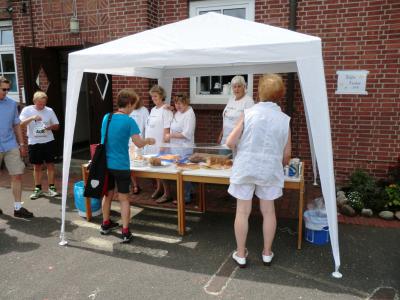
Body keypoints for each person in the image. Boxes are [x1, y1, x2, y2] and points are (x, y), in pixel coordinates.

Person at [226, 74, 291, 268]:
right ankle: (267, 252)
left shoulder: (248, 113)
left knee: (242, 211)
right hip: (270, 169)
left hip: (246, 166)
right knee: (268, 211)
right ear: (280, 95)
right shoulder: (284, 119)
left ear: (260, 92)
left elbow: (230, 142)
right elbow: (287, 154)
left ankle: (240, 254)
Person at [100, 88, 155, 243]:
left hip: (106, 164)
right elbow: (138, 143)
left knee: (108, 195)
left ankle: (105, 224)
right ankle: (125, 231)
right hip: (122, 165)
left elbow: (104, 139)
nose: (133, 109)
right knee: (124, 198)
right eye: (133, 106)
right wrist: (148, 141)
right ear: (129, 104)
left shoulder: (107, 117)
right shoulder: (129, 121)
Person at [0, 76, 33, 218]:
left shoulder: (12, 104)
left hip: (10, 144)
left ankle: (18, 208)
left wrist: (21, 144)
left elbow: (16, 125)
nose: (6, 92)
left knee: (17, 175)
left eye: (8, 89)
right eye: (3, 89)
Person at [20, 91, 60, 199]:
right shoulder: (27, 110)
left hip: (48, 141)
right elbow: (21, 124)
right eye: (39, 104)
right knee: (37, 166)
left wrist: (49, 127)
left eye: (44, 104)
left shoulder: (49, 110)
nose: (42, 106)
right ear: (34, 101)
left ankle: (51, 188)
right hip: (34, 142)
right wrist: (32, 117)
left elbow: (57, 126)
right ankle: (38, 189)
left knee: (50, 164)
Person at [165, 93, 196, 204]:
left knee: (183, 172)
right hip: (176, 147)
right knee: (180, 170)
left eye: (180, 104)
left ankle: (185, 196)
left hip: (184, 148)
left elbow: (187, 133)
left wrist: (171, 135)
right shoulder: (178, 112)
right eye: (176, 103)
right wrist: (172, 109)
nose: (178, 106)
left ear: (186, 103)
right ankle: (191, 190)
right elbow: (176, 119)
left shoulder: (189, 114)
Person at [145, 85, 173, 203]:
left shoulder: (165, 110)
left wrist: (163, 145)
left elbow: (167, 129)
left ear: (162, 96)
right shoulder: (153, 110)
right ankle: (159, 189)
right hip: (151, 145)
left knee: (162, 169)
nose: (153, 98)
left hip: (161, 145)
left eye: (156, 96)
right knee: (154, 168)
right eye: (152, 96)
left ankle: (167, 193)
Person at [218, 75, 254, 147]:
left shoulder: (248, 101)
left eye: (239, 86)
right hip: (225, 139)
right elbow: (226, 118)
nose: (236, 89)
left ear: (244, 87)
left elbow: (250, 124)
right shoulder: (231, 99)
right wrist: (221, 134)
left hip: (238, 142)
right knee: (222, 158)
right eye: (234, 87)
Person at [128, 95, 149, 194]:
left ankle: (153, 183)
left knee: (144, 163)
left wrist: (145, 140)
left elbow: (147, 126)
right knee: (132, 164)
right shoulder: (129, 110)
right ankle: (135, 185)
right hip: (130, 142)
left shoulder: (144, 110)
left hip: (141, 141)